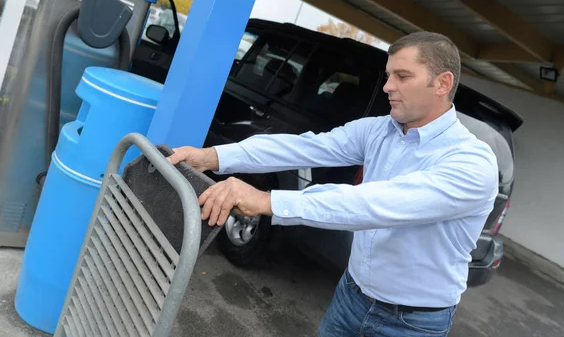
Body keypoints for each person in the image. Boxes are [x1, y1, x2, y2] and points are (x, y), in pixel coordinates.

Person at [167, 31, 499, 336]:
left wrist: (266, 200)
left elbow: (374, 203)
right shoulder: (379, 130)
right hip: (351, 295)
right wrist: (212, 156)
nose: (387, 87)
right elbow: (305, 147)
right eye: (388, 76)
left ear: (442, 83)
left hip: (412, 323)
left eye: (403, 76)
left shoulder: (472, 163)